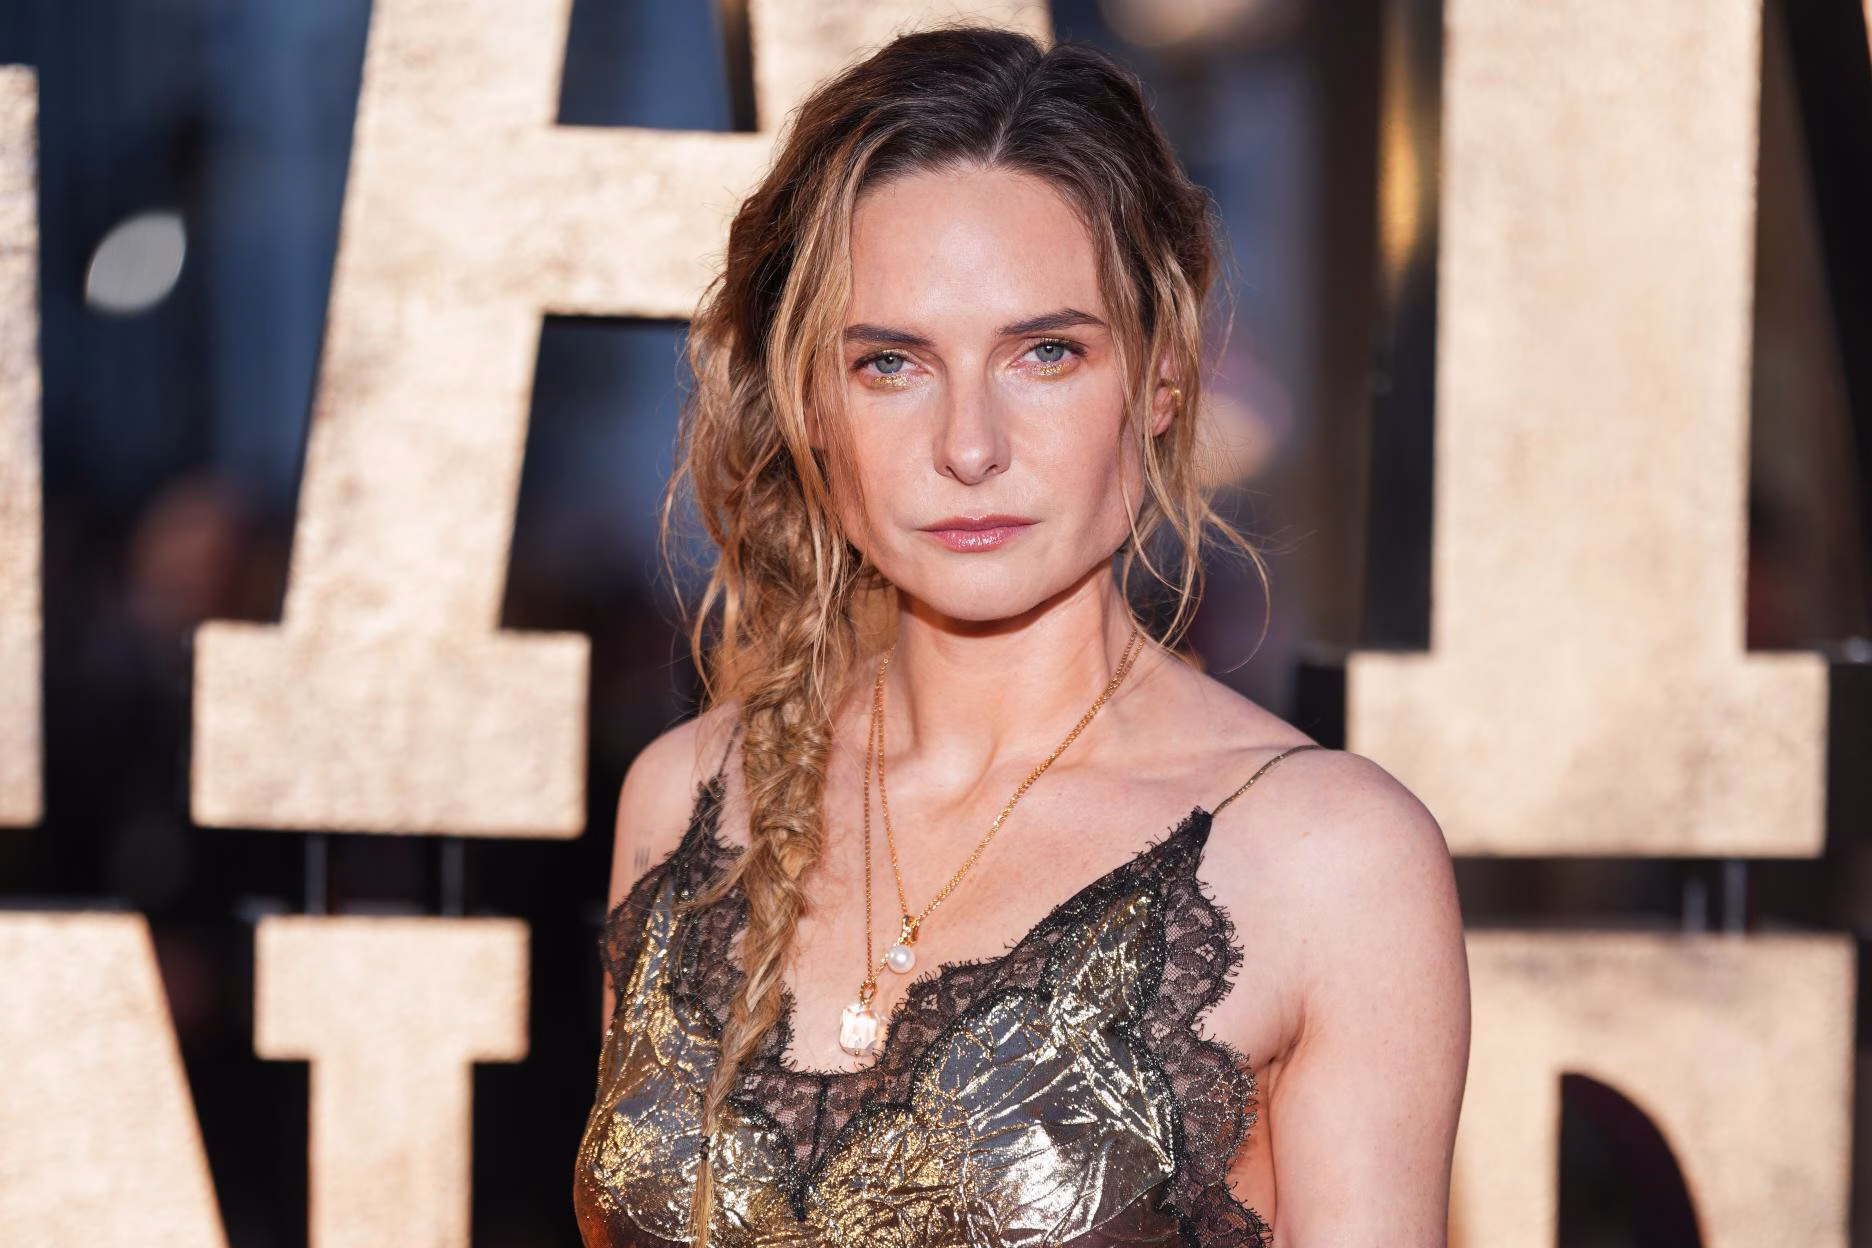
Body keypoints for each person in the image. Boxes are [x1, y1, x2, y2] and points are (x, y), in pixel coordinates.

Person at [574, 25, 1468, 1248]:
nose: (970, 447)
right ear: (809, 401)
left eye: (1047, 353)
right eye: (891, 363)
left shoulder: (1330, 856)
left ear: (1161, 376)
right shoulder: (686, 795)